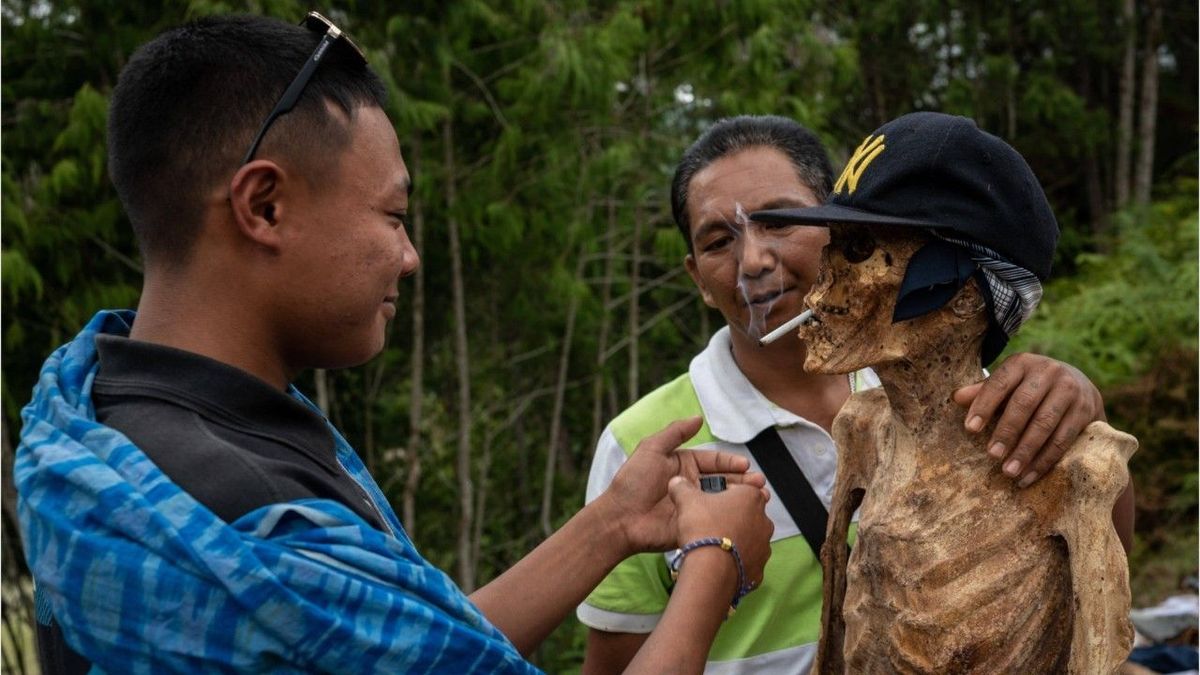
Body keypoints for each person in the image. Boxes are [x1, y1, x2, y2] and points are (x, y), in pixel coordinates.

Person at [13, 14, 774, 674]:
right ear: (265, 206)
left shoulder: (115, 416)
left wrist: (613, 524)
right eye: (393, 215)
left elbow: (406, 648)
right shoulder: (244, 508)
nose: (408, 256)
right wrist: (714, 565)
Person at [577, 115, 1135, 674]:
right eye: (720, 241)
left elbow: (1094, 579)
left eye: (779, 223)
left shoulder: (991, 413)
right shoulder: (641, 448)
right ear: (697, 276)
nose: (753, 262)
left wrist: (1083, 414)